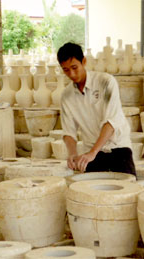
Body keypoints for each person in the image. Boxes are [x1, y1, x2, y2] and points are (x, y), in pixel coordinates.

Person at [57, 42, 136, 175]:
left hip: (118, 148)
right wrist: (72, 153)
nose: (71, 74)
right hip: (91, 151)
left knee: (127, 190)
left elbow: (111, 123)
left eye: (74, 67)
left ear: (84, 61)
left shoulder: (105, 82)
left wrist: (93, 152)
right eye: (66, 70)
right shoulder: (66, 96)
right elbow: (69, 132)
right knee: (92, 193)